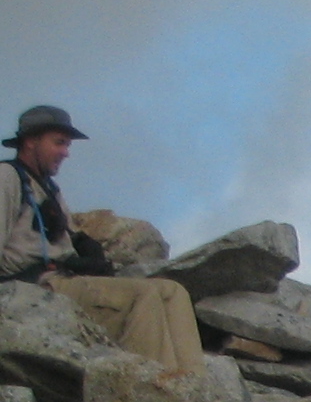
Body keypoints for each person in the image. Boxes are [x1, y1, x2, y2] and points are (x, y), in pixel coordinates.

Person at [4, 105, 203, 370]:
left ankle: (193, 386)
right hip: (36, 284)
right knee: (142, 296)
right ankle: (154, 390)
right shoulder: (7, 177)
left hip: (65, 279)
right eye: (59, 143)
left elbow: (69, 233)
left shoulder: (47, 187)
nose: (66, 152)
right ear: (30, 141)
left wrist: (87, 252)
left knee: (173, 292)